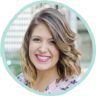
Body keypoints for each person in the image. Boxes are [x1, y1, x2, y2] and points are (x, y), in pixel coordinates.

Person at [17, 7, 81, 94]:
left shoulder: (74, 87)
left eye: (53, 42)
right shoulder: (20, 80)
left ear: (62, 46)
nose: (43, 49)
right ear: (28, 42)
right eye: (37, 39)